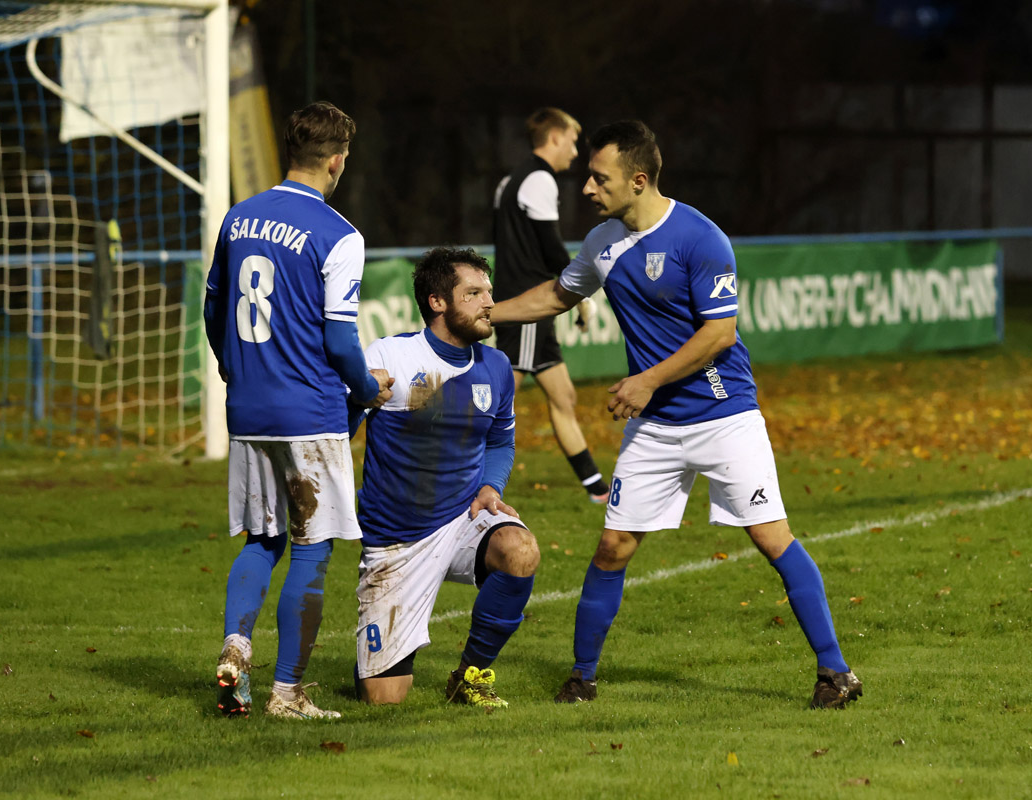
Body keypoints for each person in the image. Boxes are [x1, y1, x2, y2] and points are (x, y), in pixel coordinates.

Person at [489, 120, 862, 710]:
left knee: (772, 539)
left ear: (638, 180)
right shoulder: (603, 242)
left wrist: (646, 381)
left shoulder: (700, 238)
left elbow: (719, 334)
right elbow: (559, 295)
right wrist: (488, 313)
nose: (586, 188)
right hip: (656, 427)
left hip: (724, 415)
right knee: (612, 547)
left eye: (600, 178)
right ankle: (582, 678)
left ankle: (836, 673)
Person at [204, 101, 393, 720]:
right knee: (312, 546)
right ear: (337, 160)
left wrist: (234, 368)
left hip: (247, 408)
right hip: (308, 411)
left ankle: (236, 647)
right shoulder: (339, 234)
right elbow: (340, 340)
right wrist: (365, 388)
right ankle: (287, 692)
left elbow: (213, 308)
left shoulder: (238, 217)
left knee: (263, 537)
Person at [350, 246, 540, 708]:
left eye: (488, 292)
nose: (489, 303)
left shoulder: (495, 367)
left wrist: (491, 487)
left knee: (520, 550)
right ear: (437, 302)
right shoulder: (391, 355)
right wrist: (356, 397)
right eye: (473, 293)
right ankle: (375, 661)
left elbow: (500, 441)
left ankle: (469, 675)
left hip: (461, 520)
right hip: (397, 541)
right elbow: (339, 431)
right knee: (383, 700)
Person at [492, 107, 611, 503]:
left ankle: (596, 488)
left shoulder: (509, 180)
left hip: (526, 302)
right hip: (529, 306)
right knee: (499, 402)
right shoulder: (540, 179)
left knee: (564, 397)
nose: (576, 152)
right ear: (555, 137)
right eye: (573, 142)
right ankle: (453, 476)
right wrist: (581, 294)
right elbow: (551, 247)